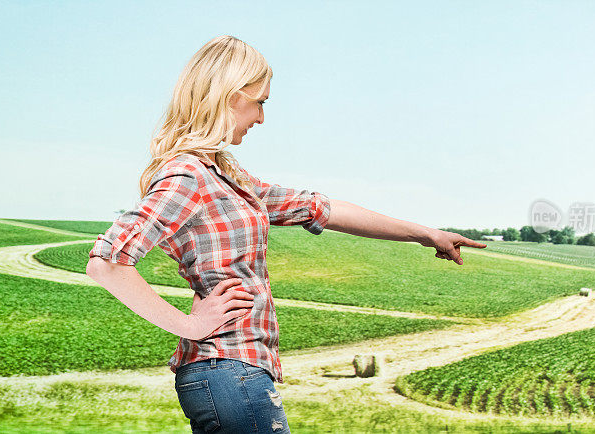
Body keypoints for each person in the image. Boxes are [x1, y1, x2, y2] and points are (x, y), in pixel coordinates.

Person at [85, 35, 486, 434]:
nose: (261, 117)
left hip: (236, 373)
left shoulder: (227, 177)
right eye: (260, 102)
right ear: (228, 95)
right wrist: (188, 325)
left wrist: (425, 234)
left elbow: (319, 207)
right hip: (227, 370)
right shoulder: (188, 175)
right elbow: (106, 263)